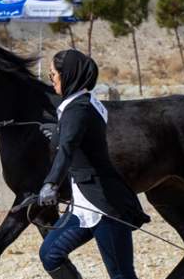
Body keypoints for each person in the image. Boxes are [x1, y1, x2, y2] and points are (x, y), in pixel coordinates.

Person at [37, 49, 150, 279]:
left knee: (122, 275)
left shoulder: (77, 109)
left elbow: (68, 147)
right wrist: (57, 132)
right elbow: (78, 138)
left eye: (53, 75)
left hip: (104, 203)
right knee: (50, 253)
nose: (52, 81)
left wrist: (50, 183)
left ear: (67, 75)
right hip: (82, 203)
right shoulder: (83, 103)